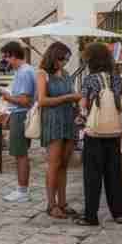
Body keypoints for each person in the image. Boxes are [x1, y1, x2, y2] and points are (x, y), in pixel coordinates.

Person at [78, 42, 122, 226]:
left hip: (95, 132)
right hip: (113, 132)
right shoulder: (115, 78)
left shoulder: (90, 79)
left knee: (92, 175)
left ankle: (91, 215)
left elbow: (83, 104)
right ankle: (118, 213)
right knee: (114, 173)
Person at [37, 42, 80, 219]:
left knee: (64, 164)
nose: (64, 63)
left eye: (67, 59)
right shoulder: (42, 74)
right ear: (54, 57)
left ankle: (62, 202)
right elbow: (42, 101)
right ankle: (51, 204)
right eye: (62, 59)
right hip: (53, 121)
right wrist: (69, 97)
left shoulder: (66, 74)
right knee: (54, 164)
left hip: (69, 119)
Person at [0, 41, 36, 203]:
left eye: (6, 58)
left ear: (13, 56)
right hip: (19, 114)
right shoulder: (26, 70)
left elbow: (24, 100)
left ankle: (22, 190)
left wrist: (7, 97)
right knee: (21, 153)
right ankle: (22, 188)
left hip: (21, 115)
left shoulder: (23, 72)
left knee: (20, 154)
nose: (5, 62)